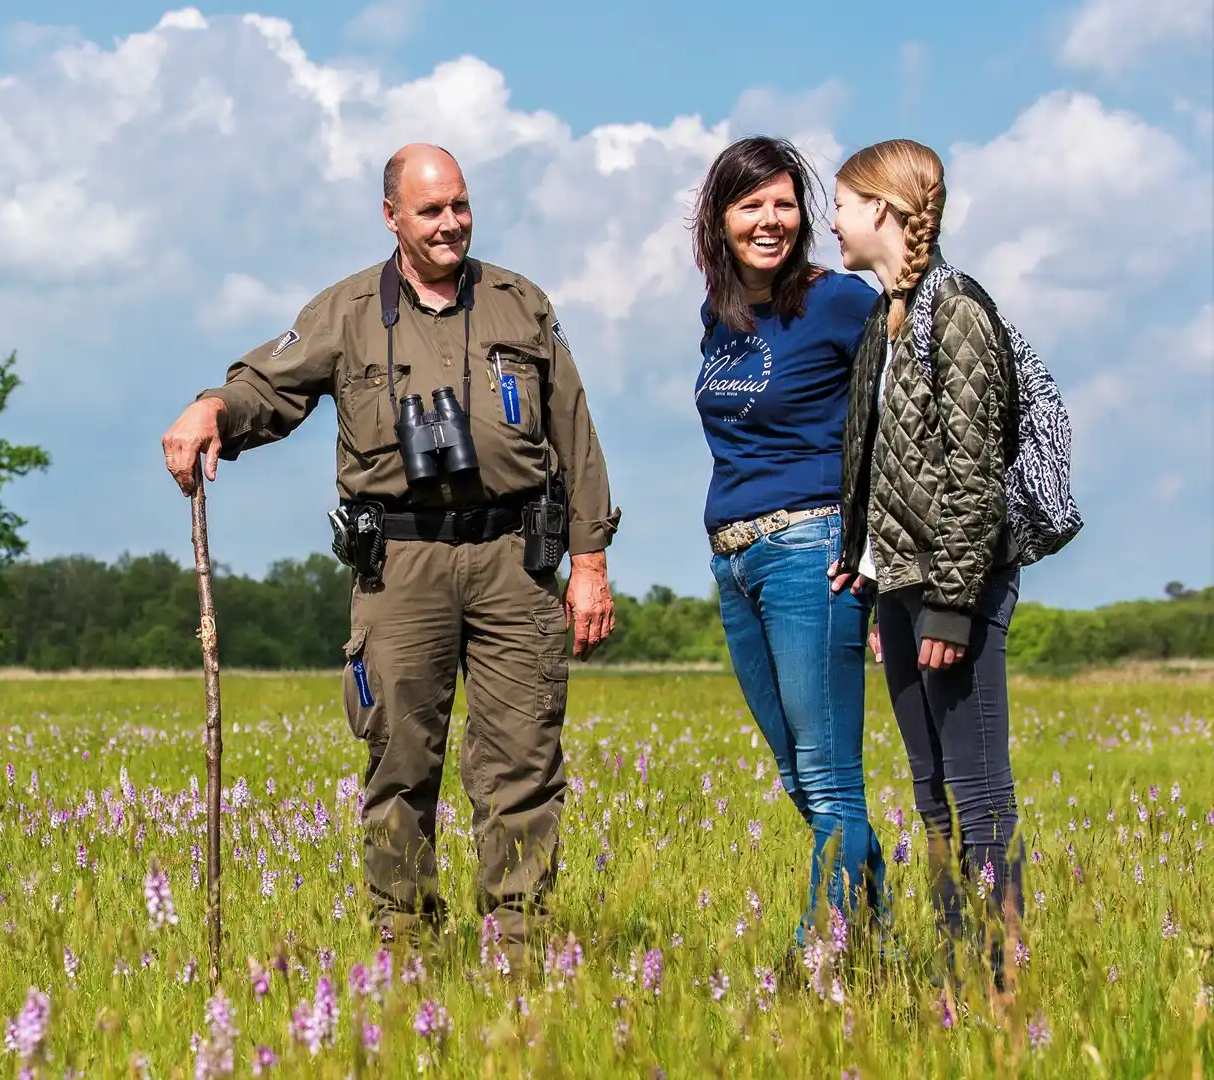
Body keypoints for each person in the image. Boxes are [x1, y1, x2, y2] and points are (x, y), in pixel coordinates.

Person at [159, 143, 621, 960]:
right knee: (399, 762)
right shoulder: (344, 310)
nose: (451, 225)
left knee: (521, 763)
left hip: (516, 558)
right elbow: (268, 388)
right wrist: (209, 411)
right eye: (432, 211)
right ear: (392, 218)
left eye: (461, 207)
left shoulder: (522, 305)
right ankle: (404, 945)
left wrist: (588, 563)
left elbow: (575, 435)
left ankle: (516, 950)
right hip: (399, 567)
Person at [828, 138, 1023, 992]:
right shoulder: (886, 317)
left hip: (955, 594)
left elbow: (974, 473)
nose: (829, 220)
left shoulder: (959, 311)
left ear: (883, 210)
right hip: (904, 588)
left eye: (840, 203)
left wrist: (950, 605)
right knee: (932, 796)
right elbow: (887, 463)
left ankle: (1001, 983)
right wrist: (863, 566)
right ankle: (955, 978)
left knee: (980, 799)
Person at [687, 135, 887, 949]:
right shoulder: (720, 317)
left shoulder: (837, 300)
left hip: (813, 550)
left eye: (784, 203)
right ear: (720, 218)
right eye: (750, 205)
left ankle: (822, 960)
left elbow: (899, 415)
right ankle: (882, 951)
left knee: (832, 779)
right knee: (802, 777)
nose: (770, 220)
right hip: (735, 558)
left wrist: (875, 551)